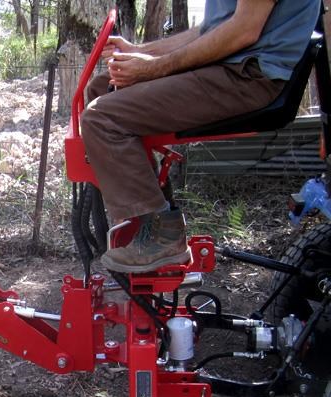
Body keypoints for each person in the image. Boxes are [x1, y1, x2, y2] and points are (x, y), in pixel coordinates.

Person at [80, 0, 321, 273]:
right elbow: (211, 30)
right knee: (105, 87)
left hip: (250, 75)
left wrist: (153, 68)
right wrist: (140, 51)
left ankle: (162, 236)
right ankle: (152, 216)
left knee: (102, 117)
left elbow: (243, 31)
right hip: (233, 64)